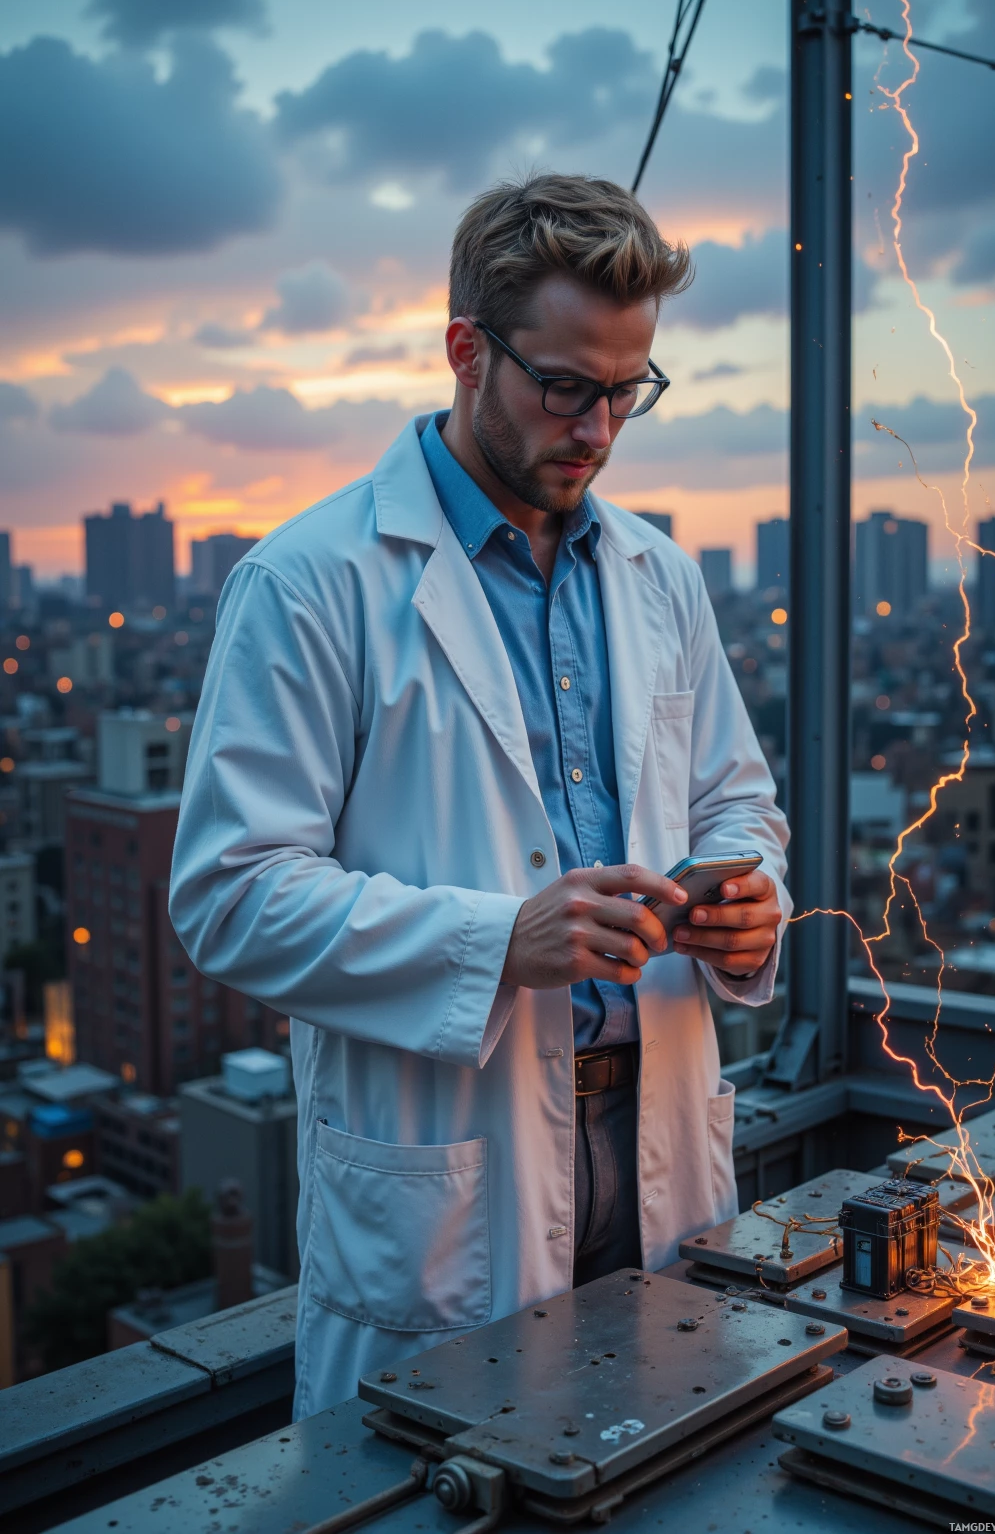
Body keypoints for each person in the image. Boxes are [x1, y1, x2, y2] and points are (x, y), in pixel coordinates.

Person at [169, 172, 791, 1420]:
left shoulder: (660, 576)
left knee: (669, 1475)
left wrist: (749, 904)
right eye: (566, 386)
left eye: (629, 390)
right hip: (453, 1182)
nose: (600, 429)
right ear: (466, 349)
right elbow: (228, 897)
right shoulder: (307, 582)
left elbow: (739, 807)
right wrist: (497, 942)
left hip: (659, 1148)